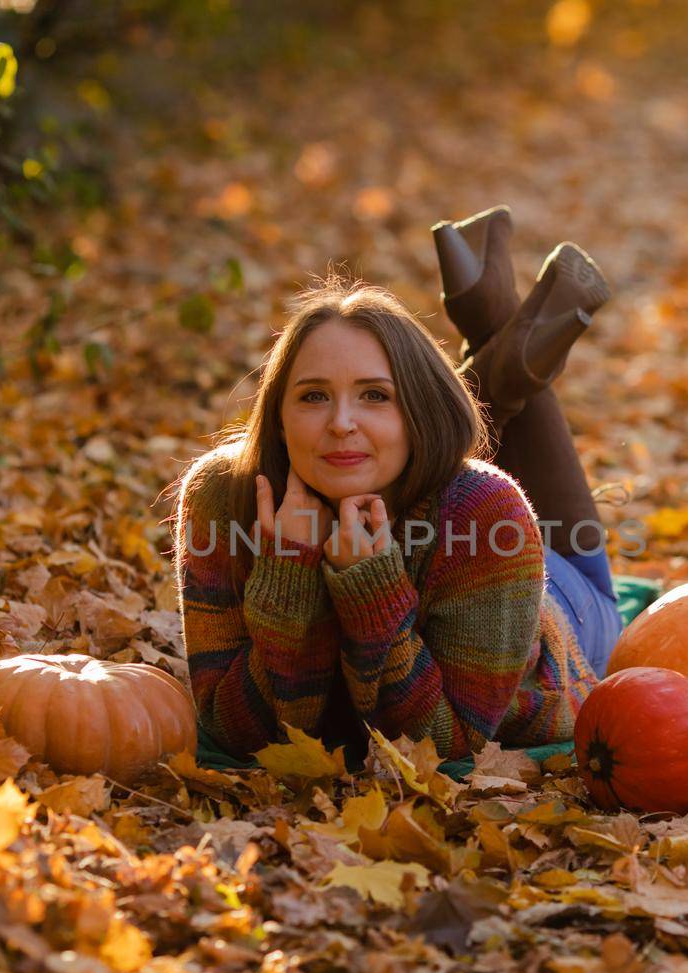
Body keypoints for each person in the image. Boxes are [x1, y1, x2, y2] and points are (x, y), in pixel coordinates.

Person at [169, 206, 622, 764]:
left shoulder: (489, 513)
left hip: (557, 612)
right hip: (457, 524)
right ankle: (496, 333)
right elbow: (237, 732)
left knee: (574, 560)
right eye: (312, 395)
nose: (339, 423)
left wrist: (372, 588)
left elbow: (445, 747)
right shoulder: (223, 493)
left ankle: (494, 338)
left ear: (416, 413)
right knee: (409, 457)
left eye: (375, 395)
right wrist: (289, 572)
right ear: (279, 417)